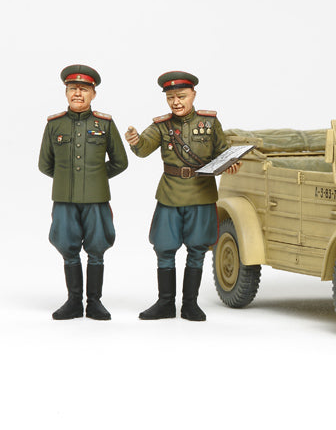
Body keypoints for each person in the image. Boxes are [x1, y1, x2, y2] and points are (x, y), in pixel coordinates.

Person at [125, 71, 240, 321]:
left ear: (193, 95)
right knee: (164, 248)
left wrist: (230, 164)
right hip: (170, 195)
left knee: (197, 249)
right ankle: (165, 303)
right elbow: (143, 149)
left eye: (181, 96)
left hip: (201, 194)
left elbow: (222, 152)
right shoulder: (161, 125)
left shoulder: (209, 122)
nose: (176, 102)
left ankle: (190, 304)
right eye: (170, 97)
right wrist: (135, 141)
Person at [39, 64, 128, 320]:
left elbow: (120, 162)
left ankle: (94, 302)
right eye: (72, 89)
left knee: (97, 247)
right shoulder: (54, 125)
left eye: (84, 89)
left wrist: (94, 178)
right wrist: (69, 180)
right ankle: (74, 302)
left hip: (96, 199)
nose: (77, 93)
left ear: (93, 93)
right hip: (64, 199)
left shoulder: (105, 123)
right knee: (67, 247)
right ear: (66, 92)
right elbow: (44, 164)